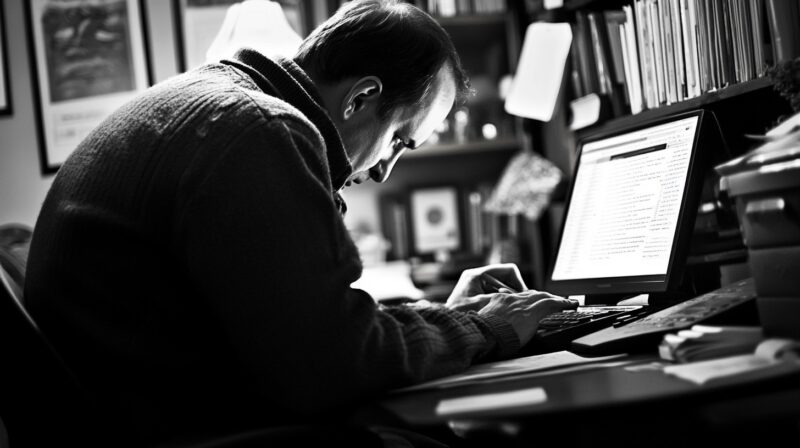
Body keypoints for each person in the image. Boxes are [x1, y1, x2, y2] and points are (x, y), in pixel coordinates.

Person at [24, 1, 577, 447]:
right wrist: (485, 328)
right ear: (362, 97)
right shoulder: (260, 132)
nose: (385, 170)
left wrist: (442, 318)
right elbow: (333, 363)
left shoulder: (214, 104)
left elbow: (299, 318)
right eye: (401, 141)